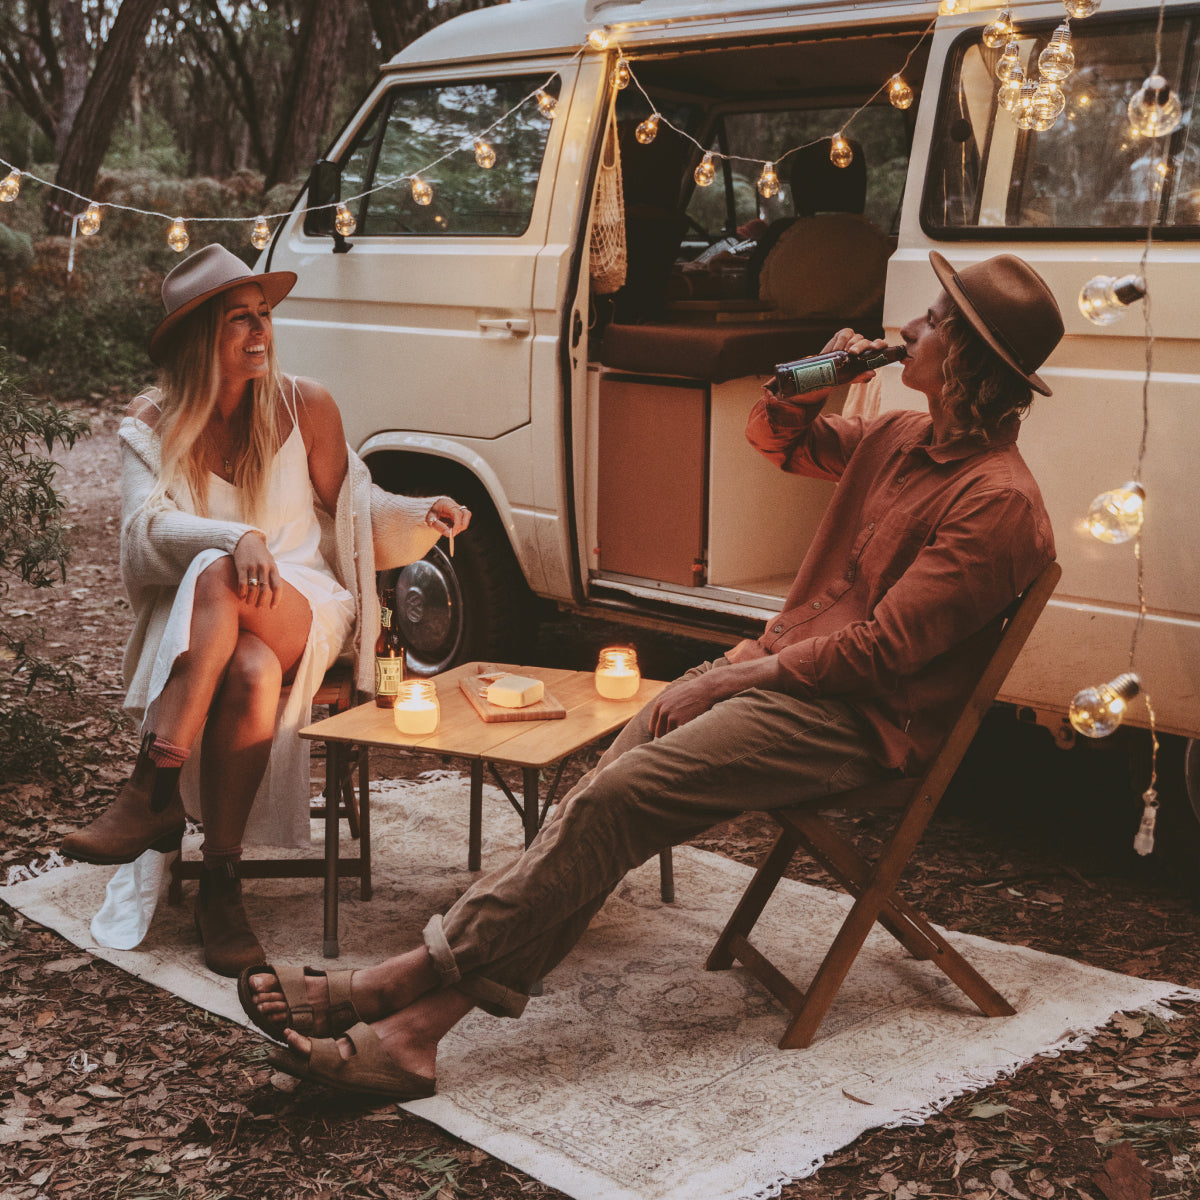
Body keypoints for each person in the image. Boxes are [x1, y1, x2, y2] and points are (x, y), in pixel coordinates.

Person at [238, 251, 1063, 1100]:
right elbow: (775, 440)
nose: (911, 328)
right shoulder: (898, 437)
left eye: (933, 319)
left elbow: (879, 654)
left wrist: (731, 681)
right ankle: (413, 1035)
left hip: (852, 718)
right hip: (779, 674)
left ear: (965, 358)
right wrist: (805, 388)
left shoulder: (998, 503)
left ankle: (397, 984)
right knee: (601, 794)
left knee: (616, 802)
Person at [61, 244, 471, 976]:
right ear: (197, 338)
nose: (261, 333)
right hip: (214, 624)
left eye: (265, 316)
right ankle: (223, 885)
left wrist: (420, 514)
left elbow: (354, 512)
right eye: (238, 321)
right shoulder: (151, 426)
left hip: (308, 604)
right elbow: (141, 540)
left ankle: (152, 787)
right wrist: (235, 536)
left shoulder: (304, 404)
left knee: (223, 578)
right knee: (245, 660)